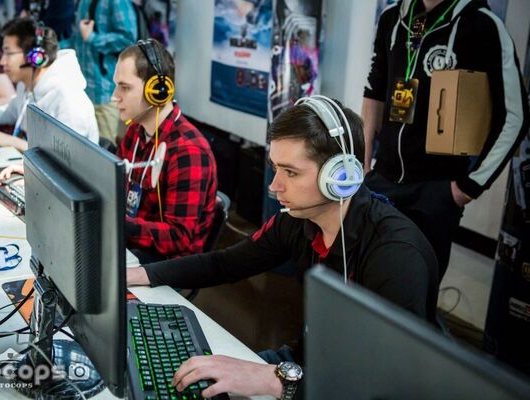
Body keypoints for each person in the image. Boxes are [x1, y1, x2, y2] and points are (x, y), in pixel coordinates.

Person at [126, 96, 439, 399]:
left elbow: (392, 384)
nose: (274, 186)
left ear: (340, 176)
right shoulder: (297, 221)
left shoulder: (396, 255)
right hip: (305, 368)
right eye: (275, 168)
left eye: (291, 172)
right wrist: (140, 274)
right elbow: (224, 264)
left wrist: (272, 380)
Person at [362, 0, 530, 280]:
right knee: (366, 281)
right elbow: (375, 90)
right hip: (381, 181)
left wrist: (469, 187)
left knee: (414, 292)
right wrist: (365, 163)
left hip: (435, 193)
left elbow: (516, 115)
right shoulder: (393, 17)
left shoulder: (482, 24)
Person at [112, 39, 218, 263]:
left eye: (125, 87)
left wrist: (118, 224)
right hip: (131, 246)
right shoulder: (135, 132)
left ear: (158, 91)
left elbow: (179, 238)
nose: (115, 96)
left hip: (167, 265)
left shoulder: (188, 151)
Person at [0, 18, 99, 152]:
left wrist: (10, 141)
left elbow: (67, 157)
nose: (2, 61)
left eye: (8, 53)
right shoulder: (26, 84)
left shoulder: (68, 99)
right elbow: (9, 112)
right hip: (31, 162)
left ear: (35, 57)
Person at [71, 0, 138, 143]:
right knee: (81, 147)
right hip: (81, 90)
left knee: (104, 149)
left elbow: (129, 39)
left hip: (104, 92)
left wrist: (93, 38)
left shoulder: (117, 2)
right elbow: (76, 40)